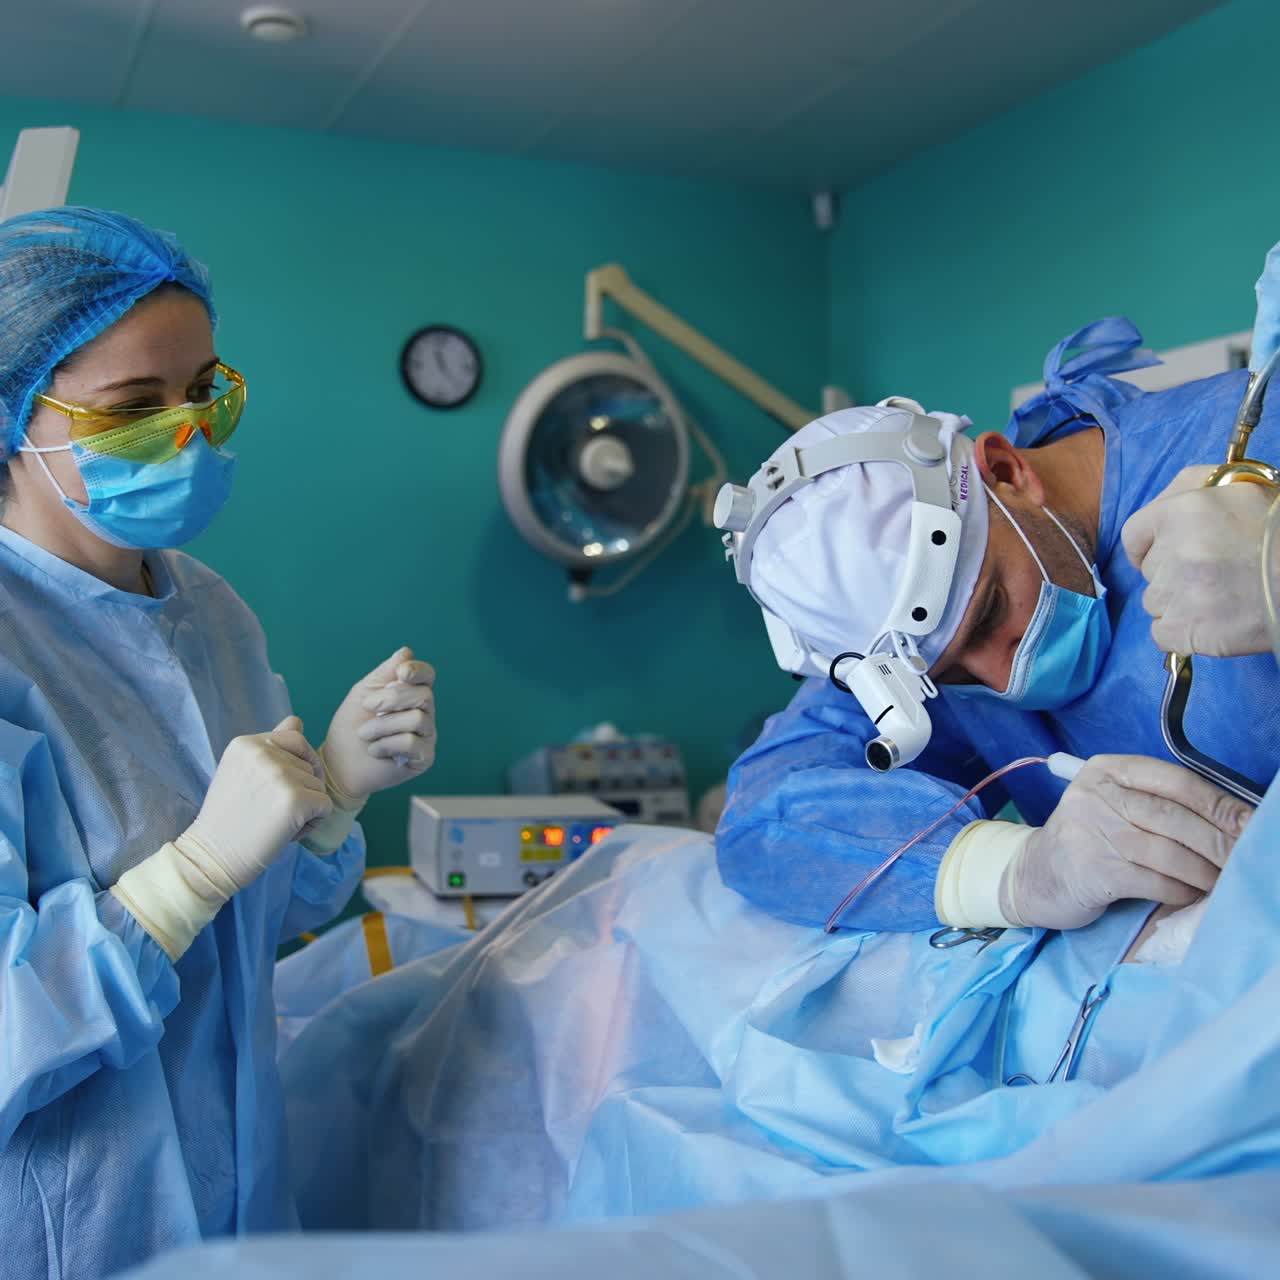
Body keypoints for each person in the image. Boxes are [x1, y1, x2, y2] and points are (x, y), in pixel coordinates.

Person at [0, 207, 438, 1279]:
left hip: (242, 1194)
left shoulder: (211, 613)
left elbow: (265, 919)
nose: (187, 434)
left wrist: (331, 792)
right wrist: (186, 872)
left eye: (205, 393)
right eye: (133, 409)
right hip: (79, 1223)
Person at [716, 301, 1280, 934]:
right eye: (950, 674)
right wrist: (1011, 873)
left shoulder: (1250, 442)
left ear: (1008, 473)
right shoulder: (919, 649)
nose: (1004, 678)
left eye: (990, 612)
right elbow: (766, 821)